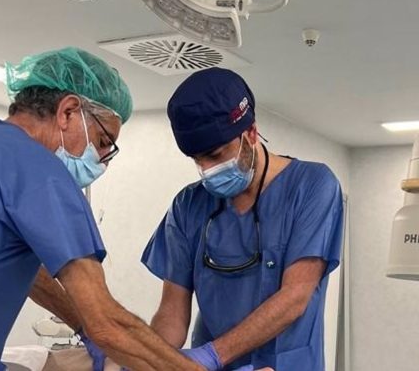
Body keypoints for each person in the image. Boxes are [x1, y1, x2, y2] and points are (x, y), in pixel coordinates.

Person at [0, 47, 257, 371]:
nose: (103, 160)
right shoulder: (39, 170)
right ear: (67, 111)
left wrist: (82, 326)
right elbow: (107, 323)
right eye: (103, 141)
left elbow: (14, 267)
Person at [141, 67, 345, 370]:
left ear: (250, 133)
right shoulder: (188, 205)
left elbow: (295, 296)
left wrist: (212, 356)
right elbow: (172, 314)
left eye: (215, 155)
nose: (206, 169)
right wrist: (147, 358)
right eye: (197, 160)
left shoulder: (313, 186)